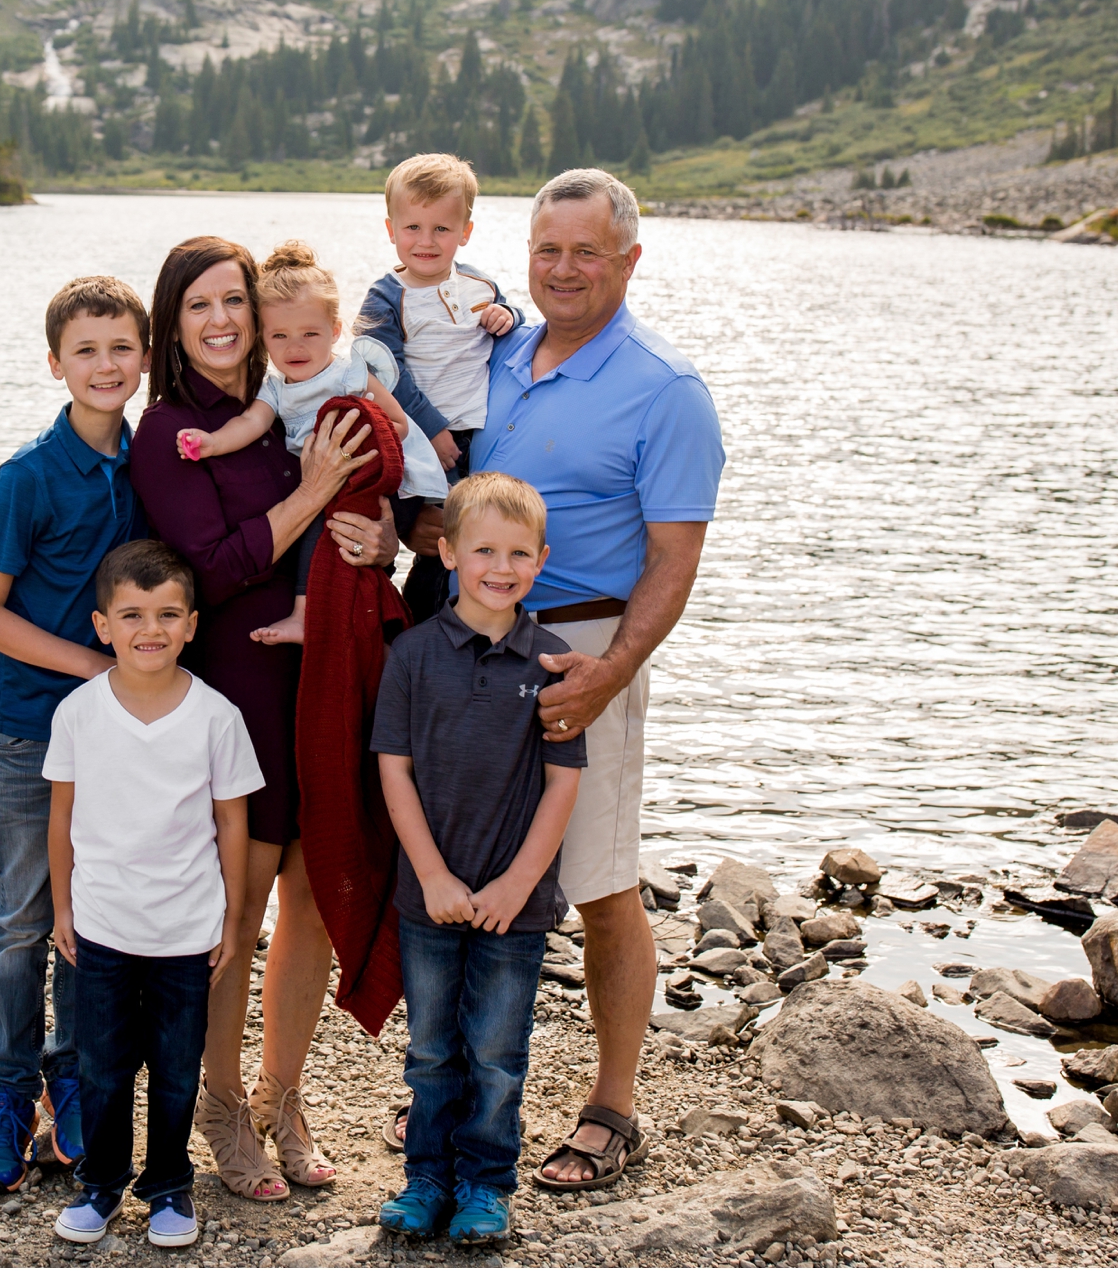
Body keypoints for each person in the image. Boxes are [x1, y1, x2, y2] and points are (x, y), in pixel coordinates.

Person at [403, 167, 725, 1192]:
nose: (565, 268)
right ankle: (452, 1086)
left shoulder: (665, 388)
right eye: (549, 248)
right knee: (460, 864)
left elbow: (674, 561)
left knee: (596, 878)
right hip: (468, 643)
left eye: (588, 250)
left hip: (580, 650)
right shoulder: (496, 351)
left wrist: (611, 672)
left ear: (629, 257)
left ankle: (612, 1106)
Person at [128, 235, 401, 1200]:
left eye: (233, 301)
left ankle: (285, 1095)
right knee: (233, 918)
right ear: (173, 321)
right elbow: (210, 566)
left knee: (316, 903)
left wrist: (381, 538)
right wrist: (319, 489)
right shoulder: (168, 431)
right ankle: (221, 1106)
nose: (221, 321)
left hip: (321, 673)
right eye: (198, 305)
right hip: (235, 690)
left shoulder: (298, 400)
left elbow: (367, 504)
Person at [0, 275, 150, 1191]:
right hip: (36, 726)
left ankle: (71, 1078)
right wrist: (93, 667)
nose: (106, 365)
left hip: (118, 733)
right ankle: (7, 1091)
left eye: (121, 348)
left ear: (143, 359)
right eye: (87, 350)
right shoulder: (29, 475)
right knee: (26, 914)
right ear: (55, 363)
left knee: (91, 911)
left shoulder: (146, 466)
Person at [371, 473, 582, 1245]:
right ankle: (426, 1176)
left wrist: (518, 881)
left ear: (541, 559)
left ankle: (487, 1185)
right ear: (447, 551)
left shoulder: (553, 660)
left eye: (519, 552)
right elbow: (393, 769)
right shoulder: (414, 654)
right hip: (427, 895)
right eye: (484, 548)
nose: (501, 565)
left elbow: (565, 783)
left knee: (497, 1053)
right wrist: (430, 872)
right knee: (431, 1050)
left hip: (514, 905)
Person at [45, 540, 263, 1248]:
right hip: (103, 926)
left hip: (186, 930)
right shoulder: (79, 713)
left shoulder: (216, 716)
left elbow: (232, 819)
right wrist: (63, 908)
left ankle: (170, 1184)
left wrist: (231, 917)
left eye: (168, 613)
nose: (152, 629)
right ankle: (102, 1183)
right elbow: (62, 816)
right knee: (102, 1068)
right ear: (103, 624)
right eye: (133, 614)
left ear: (192, 624)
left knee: (175, 1069)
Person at [179, 241, 446, 646]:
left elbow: (398, 424)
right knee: (319, 530)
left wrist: (356, 433)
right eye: (280, 336)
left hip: (394, 484)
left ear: (335, 331)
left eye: (309, 333)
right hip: (332, 488)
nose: (295, 347)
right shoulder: (276, 388)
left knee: (333, 530)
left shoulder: (348, 375)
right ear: (262, 337)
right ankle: (315, 619)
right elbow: (251, 422)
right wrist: (213, 442)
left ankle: (326, 621)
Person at [354, 155, 521, 625]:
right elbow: (384, 371)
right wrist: (431, 431)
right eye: (412, 228)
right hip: (418, 439)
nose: (425, 242)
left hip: (478, 439)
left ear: (465, 231)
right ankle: (415, 623)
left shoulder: (478, 284)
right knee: (435, 539)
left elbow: (509, 315)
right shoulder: (387, 296)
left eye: (441, 230)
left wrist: (507, 317)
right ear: (391, 229)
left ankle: (474, 623)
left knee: (477, 538)